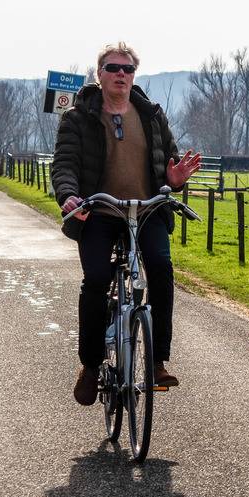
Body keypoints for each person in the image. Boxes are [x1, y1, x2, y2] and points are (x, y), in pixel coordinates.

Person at [52, 42, 201, 405]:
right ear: (99, 74)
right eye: (113, 68)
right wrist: (70, 196)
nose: (121, 74)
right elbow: (65, 165)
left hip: (145, 212)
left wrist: (176, 177)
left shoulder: (150, 115)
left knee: (162, 270)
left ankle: (158, 360)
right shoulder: (77, 118)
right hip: (98, 213)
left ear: (134, 75)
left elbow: (169, 160)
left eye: (128, 69)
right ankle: (90, 365)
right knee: (97, 280)